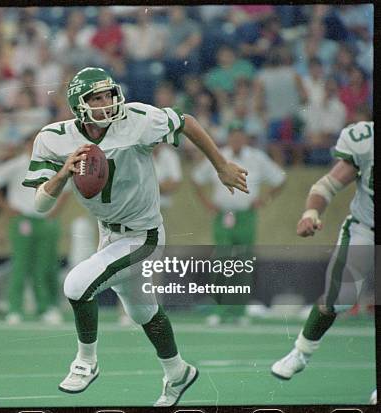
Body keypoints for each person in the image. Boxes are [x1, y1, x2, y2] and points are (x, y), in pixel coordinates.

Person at [22, 67, 249, 406]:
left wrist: (220, 165)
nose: (107, 103)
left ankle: (86, 361)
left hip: (144, 236)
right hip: (108, 234)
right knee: (144, 313)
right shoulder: (53, 138)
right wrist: (64, 172)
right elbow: (40, 204)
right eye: (96, 98)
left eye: (109, 94)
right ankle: (178, 372)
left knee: (76, 285)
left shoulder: (138, 119)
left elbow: (185, 121)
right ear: (78, 104)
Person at [271, 120, 374, 380]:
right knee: (339, 297)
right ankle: (301, 351)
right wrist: (311, 211)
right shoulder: (366, 140)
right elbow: (327, 185)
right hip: (366, 227)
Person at [191, 120, 285, 325]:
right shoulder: (218, 155)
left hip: (246, 216)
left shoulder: (257, 157)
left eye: (240, 135)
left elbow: (279, 179)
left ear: (245, 138)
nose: (236, 139)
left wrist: (265, 199)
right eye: (233, 135)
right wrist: (207, 203)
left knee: (242, 264)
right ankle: (220, 310)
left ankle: (239, 312)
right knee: (222, 262)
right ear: (228, 137)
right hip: (223, 216)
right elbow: (196, 178)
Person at [0, 135, 68, 326]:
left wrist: (56, 210)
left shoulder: (53, 164)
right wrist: (6, 207)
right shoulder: (17, 165)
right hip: (22, 219)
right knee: (20, 266)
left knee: (46, 266)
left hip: (46, 220)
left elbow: (67, 188)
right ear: (26, 145)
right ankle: (15, 309)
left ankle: (47, 308)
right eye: (32, 143)